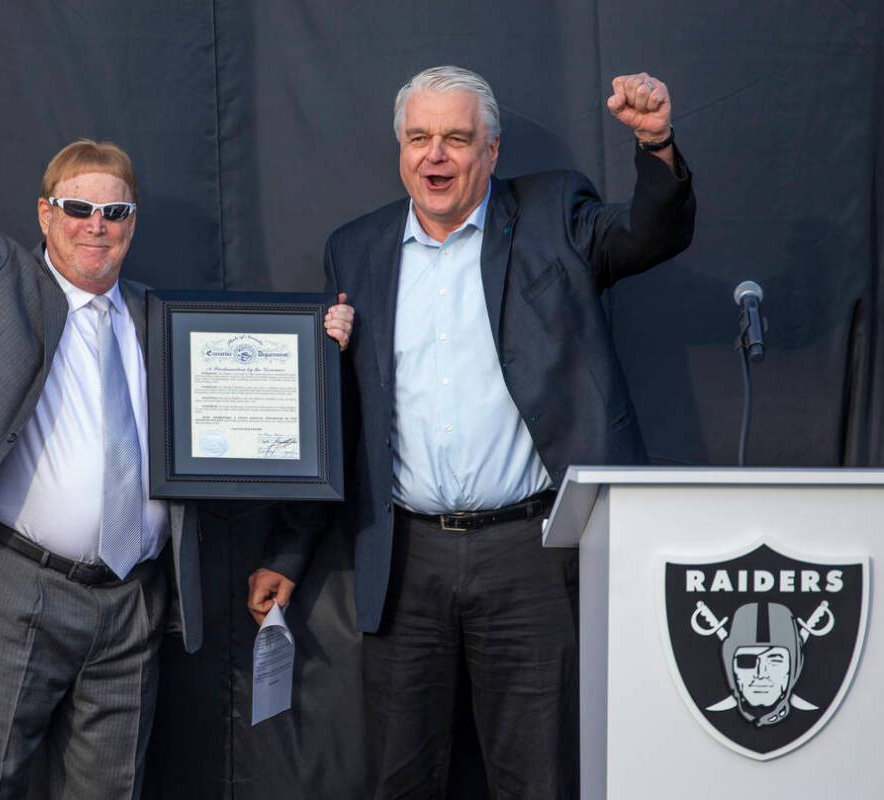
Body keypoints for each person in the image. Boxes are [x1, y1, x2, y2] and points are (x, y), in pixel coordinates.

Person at [0, 52, 352, 797]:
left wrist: (315, 347)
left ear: (133, 224)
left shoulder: (164, 320)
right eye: (77, 209)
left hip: (132, 600)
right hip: (17, 588)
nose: (95, 226)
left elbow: (250, 398)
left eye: (115, 212)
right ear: (45, 214)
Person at [248, 65, 694, 797]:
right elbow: (345, 419)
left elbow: (650, 233)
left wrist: (656, 146)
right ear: (399, 149)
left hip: (530, 553)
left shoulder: (552, 212)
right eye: (419, 137)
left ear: (490, 151)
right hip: (406, 556)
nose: (435, 156)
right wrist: (290, 551)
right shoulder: (355, 250)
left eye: (456, 139)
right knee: (400, 773)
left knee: (537, 774)